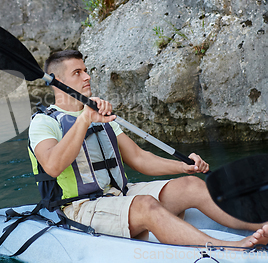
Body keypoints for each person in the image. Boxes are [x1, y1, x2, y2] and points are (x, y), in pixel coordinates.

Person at [28, 49, 268, 248]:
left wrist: (183, 167)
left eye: (86, 70)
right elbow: (52, 166)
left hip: (119, 193)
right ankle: (230, 246)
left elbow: (139, 158)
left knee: (192, 186)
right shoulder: (44, 122)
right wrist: (83, 120)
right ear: (57, 82)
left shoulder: (98, 116)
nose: (87, 76)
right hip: (80, 207)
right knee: (145, 204)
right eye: (77, 72)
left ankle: (261, 226)